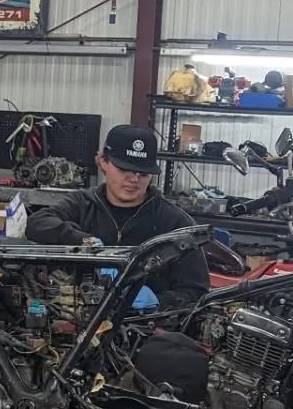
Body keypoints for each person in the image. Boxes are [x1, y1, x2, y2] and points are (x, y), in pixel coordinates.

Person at [25, 124, 208, 304]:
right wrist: (83, 241)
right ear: (103, 162)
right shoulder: (82, 204)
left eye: (143, 173)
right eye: (124, 169)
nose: (134, 179)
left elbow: (195, 292)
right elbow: (37, 223)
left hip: (145, 321)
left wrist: (158, 302)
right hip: (79, 313)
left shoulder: (176, 223)